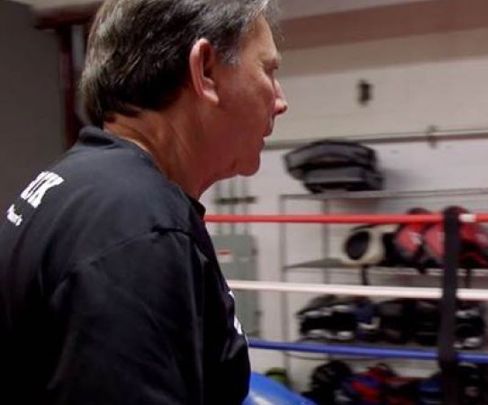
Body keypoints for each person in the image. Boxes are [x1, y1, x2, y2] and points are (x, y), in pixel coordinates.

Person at [0, 0, 288, 403]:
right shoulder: (135, 223)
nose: (280, 100)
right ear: (205, 70)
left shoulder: (90, 185)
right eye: (268, 71)